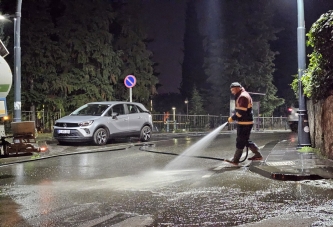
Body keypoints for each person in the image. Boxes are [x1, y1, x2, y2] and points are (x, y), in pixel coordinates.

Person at [227, 82, 262, 165]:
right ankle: (258, 155)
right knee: (245, 140)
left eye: (233, 90)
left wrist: (233, 118)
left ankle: (235, 160)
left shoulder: (243, 96)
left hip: (245, 122)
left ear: (237, 88)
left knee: (240, 140)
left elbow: (241, 112)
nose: (232, 92)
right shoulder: (242, 95)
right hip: (245, 122)